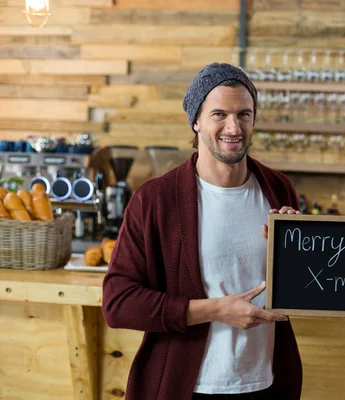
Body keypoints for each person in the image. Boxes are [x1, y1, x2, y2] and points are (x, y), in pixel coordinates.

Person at [102, 63, 302, 400]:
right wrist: (216, 310)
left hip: (266, 381)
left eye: (244, 114)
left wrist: (296, 250)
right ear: (195, 121)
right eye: (219, 114)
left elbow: (297, 288)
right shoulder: (155, 199)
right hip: (188, 387)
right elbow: (118, 303)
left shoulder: (278, 189)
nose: (233, 127)